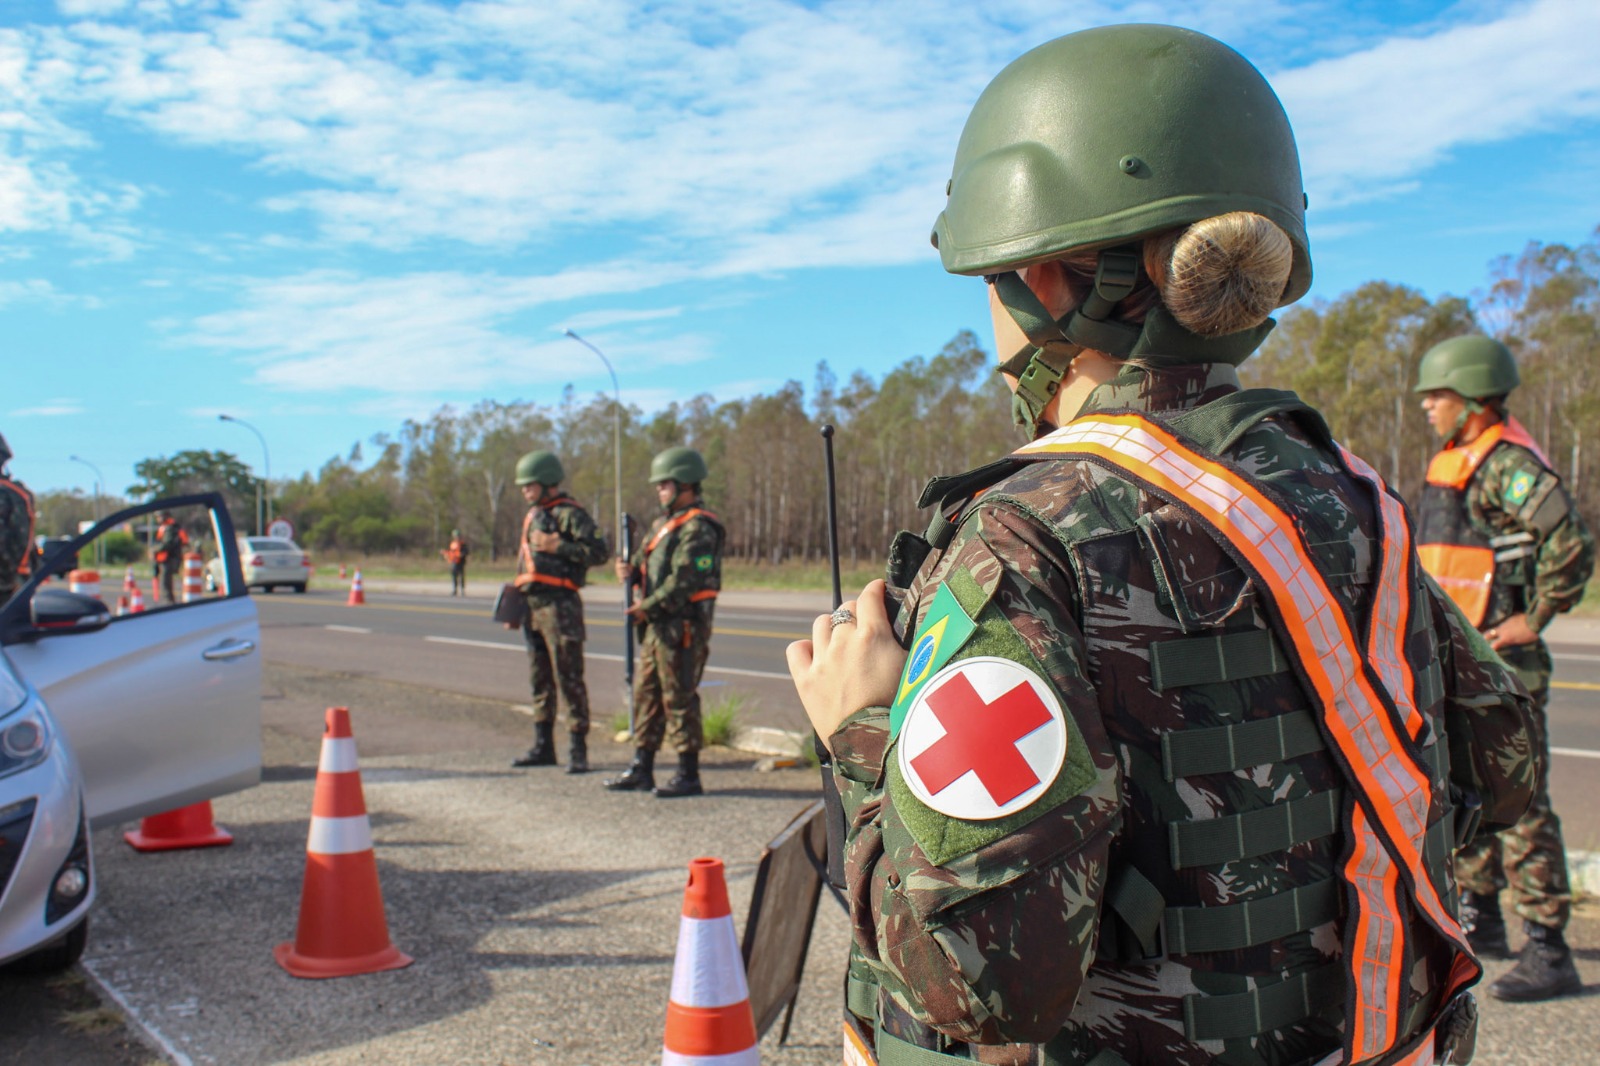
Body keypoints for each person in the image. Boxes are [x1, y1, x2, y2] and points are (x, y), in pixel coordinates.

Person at [786, 25, 1539, 1065]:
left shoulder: (1027, 530)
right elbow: (1503, 771)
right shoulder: (1352, 498)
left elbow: (985, 987)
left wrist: (862, 729)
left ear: (1046, 279)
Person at [1414, 334, 1595, 1002]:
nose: (1428, 407)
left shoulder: (1506, 466)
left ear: (1473, 397)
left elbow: (1569, 541)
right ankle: (1483, 919)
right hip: (1464, 658)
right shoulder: (1456, 462)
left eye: (1436, 395)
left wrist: (1537, 615)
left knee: (1523, 802)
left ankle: (1549, 947)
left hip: (1508, 661)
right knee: (1472, 791)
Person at [607, 447, 723, 799]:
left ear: (685, 483)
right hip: (657, 628)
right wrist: (627, 572)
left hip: (682, 628)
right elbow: (647, 567)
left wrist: (648, 606)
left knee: (680, 697)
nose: (659, 491)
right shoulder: (662, 527)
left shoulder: (700, 527)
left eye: (665, 484)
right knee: (648, 696)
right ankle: (642, 766)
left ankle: (688, 774)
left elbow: (684, 579)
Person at [508, 451, 609, 773]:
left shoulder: (569, 515)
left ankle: (578, 748)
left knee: (569, 677)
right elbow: (526, 564)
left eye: (530, 485)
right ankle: (543, 746)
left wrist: (557, 546)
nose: (525, 491)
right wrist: (515, 604)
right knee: (539, 679)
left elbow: (598, 552)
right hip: (532, 606)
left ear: (548, 483)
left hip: (560, 605)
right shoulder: (533, 517)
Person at [0, 432, 36, 606]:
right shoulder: (20, 493)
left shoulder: (7, 494)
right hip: (18, 586)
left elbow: (8, 542)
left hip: (6, 588)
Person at [152, 511, 188, 605]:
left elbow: (167, 544)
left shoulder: (170, 528)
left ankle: (169, 602)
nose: (158, 519)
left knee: (166, 582)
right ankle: (169, 601)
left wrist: (154, 549)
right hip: (165, 559)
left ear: (165, 516)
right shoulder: (166, 527)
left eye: (159, 517)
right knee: (166, 582)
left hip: (169, 559)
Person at [441, 528, 470, 595]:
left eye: (457, 536)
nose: (456, 537)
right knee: (454, 576)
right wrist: (445, 553)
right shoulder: (452, 544)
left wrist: (462, 554)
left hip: (461, 562)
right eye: (455, 536)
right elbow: (450, 552)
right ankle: (454, 589)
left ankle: (462, 590)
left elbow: (466, 552)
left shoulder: (462, 544)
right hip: (454, 562)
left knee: (461, 576)